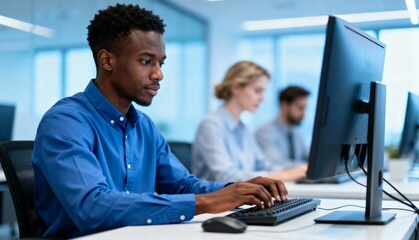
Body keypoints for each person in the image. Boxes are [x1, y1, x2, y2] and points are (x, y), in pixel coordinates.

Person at [32, 4, 288, 238]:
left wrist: (237, 190)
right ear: (107, 60)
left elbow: (182, 184)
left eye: (161, 63)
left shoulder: (143, 126)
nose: (159, 74)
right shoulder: (66, 122)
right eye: (146, 61)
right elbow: (93, 207)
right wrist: (208, 202)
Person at [192, 61, 307, 183]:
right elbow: (225, 176)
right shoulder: (211, 125)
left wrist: (300, 170)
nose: (262, 99)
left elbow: (264, 165)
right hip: (217, 199)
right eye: (257, 91)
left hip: (241, 198)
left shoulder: (243, 129)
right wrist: (286, 175)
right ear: (236, 87)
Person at [256, 86, 310, 170]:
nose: (304, 113)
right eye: (300, 108)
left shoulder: (296, 135)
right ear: (284, 105)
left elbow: (309, 157)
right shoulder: (266, 133)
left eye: (305, 108)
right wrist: (307, 167)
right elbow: (275, 164)